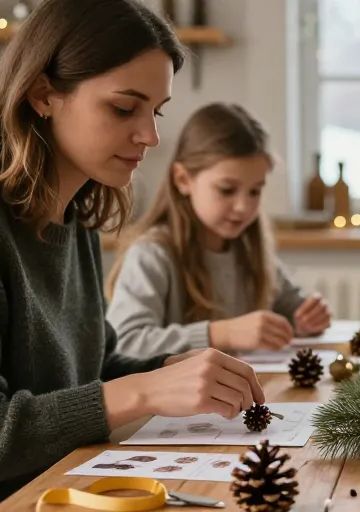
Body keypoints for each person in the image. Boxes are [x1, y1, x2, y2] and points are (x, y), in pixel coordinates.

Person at [0, 0, 266, 508]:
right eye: (123, 107)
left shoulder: (76, 214)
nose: (150, 136)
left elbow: (91, 368)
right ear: (44, 93)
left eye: (156, 111)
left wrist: (172, 366)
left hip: (71, 490)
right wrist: (145, 391)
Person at [104, 103, 332, 359]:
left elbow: (293, 306)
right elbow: (124, 343)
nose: (244, 206)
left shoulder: (248, 251)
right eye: (226, 190)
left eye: (254, 191)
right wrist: (221, 334)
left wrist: (306, 318)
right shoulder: (151, 254)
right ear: (183, 180)